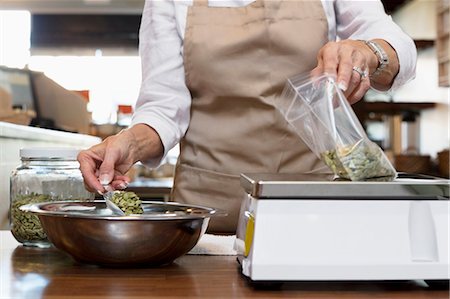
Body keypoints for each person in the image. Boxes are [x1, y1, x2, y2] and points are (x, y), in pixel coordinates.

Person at [78, 0, 417, 234]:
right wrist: (129, 143)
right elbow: (165, 107)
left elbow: (398, 48)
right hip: (211, 220)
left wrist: (368, 52)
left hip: (315, 208)